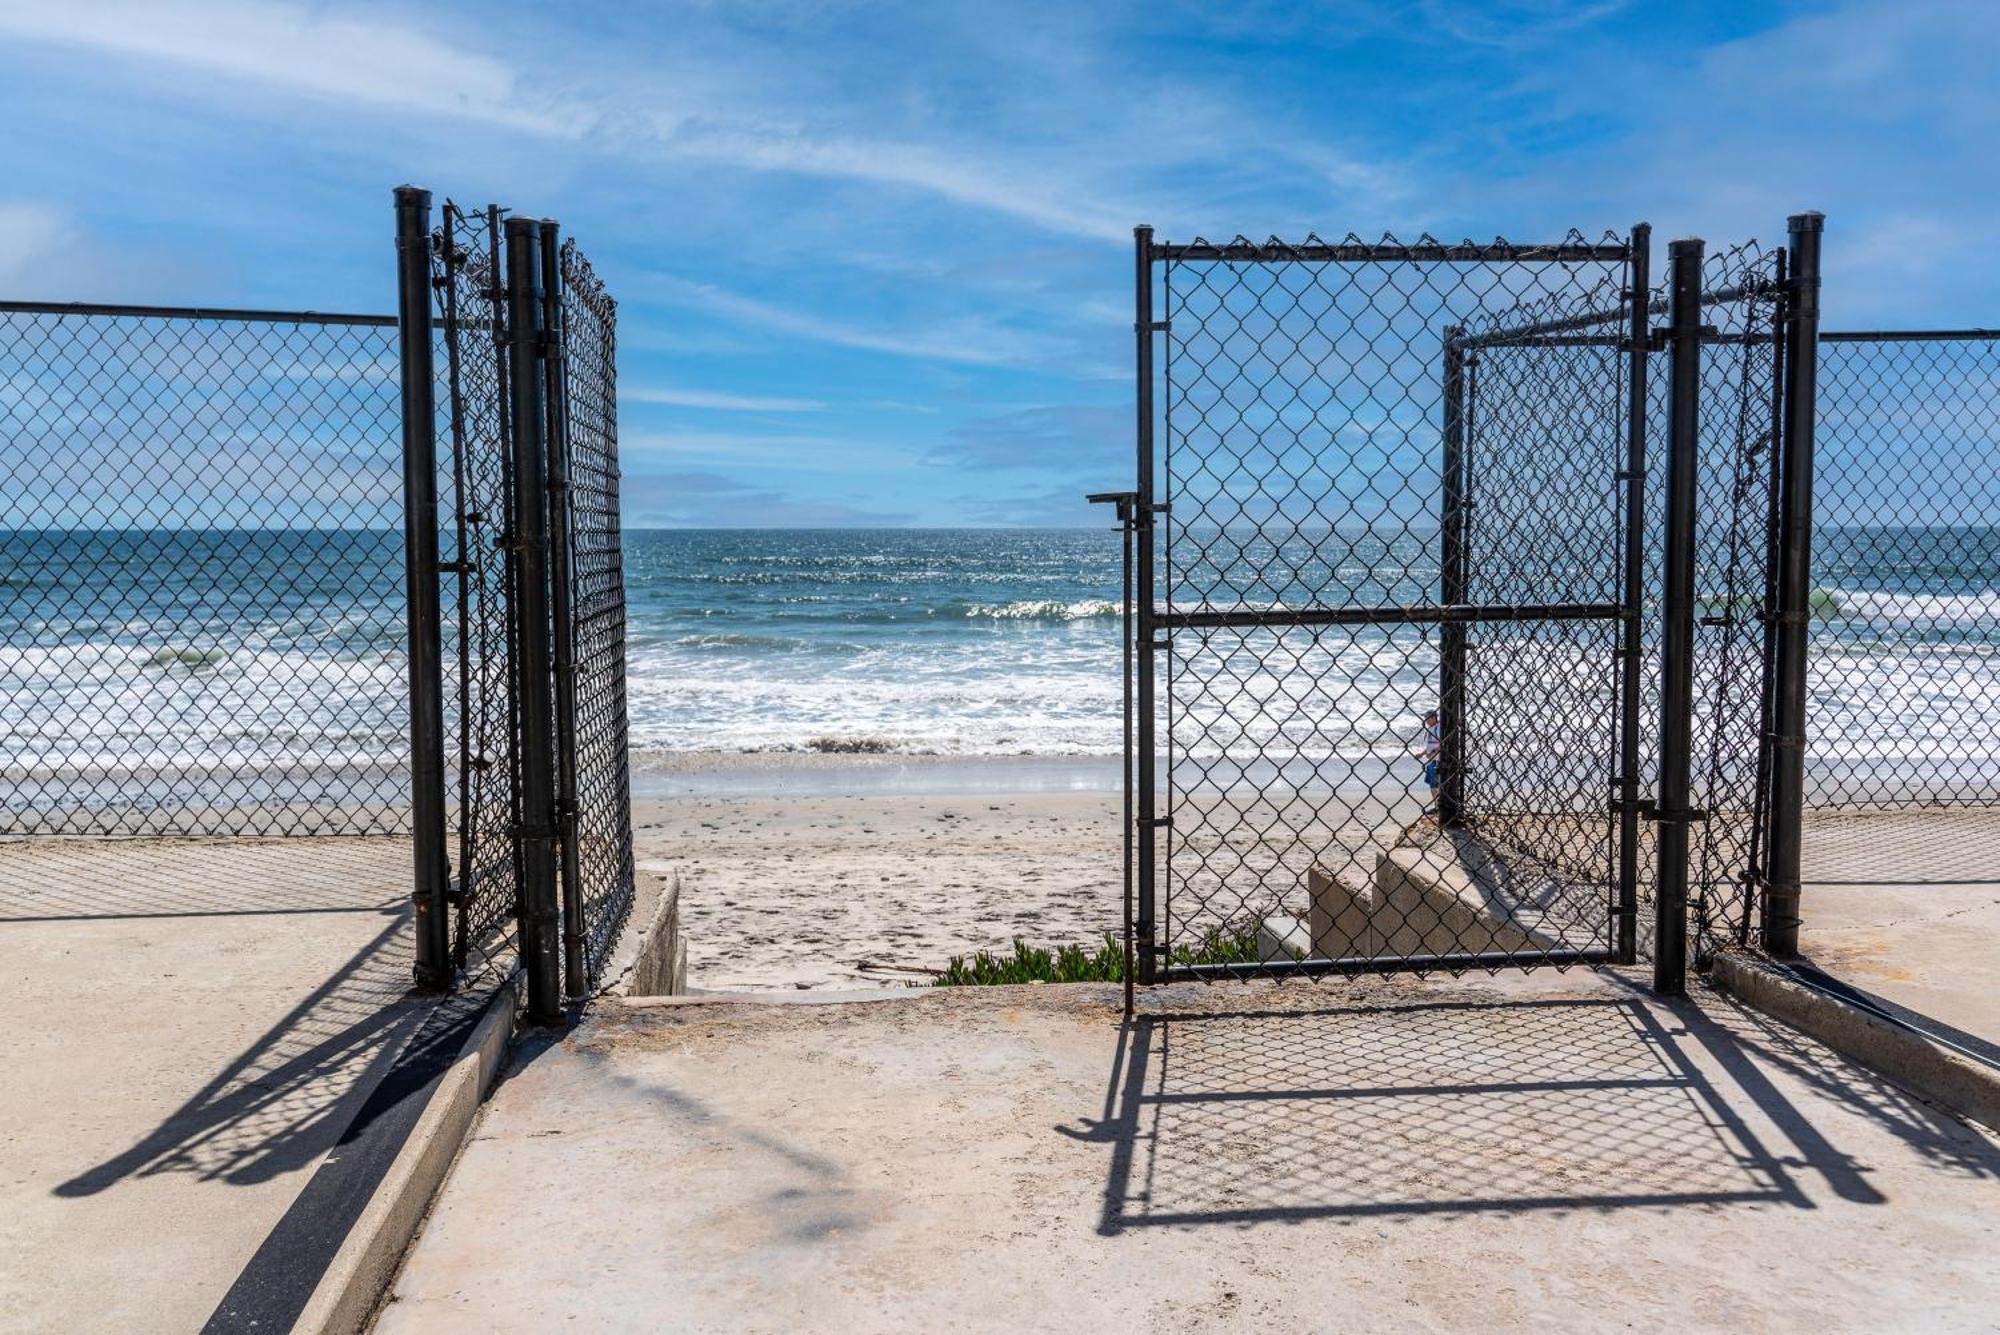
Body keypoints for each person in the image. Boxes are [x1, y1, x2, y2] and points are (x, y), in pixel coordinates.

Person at [1415, 708, 1442, 814]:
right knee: (1432, 785)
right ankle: (1437, 805)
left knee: (1436, 785)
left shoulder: (1438, 728)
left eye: (1427, 718)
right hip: (1432, 760)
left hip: (1437, 760)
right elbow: (1431, 745)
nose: (1425, 720)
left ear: (1434, 718)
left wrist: (1433, 753)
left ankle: (1439, 806)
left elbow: (1442, 743)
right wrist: (1422, 754)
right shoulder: (1431, 729)